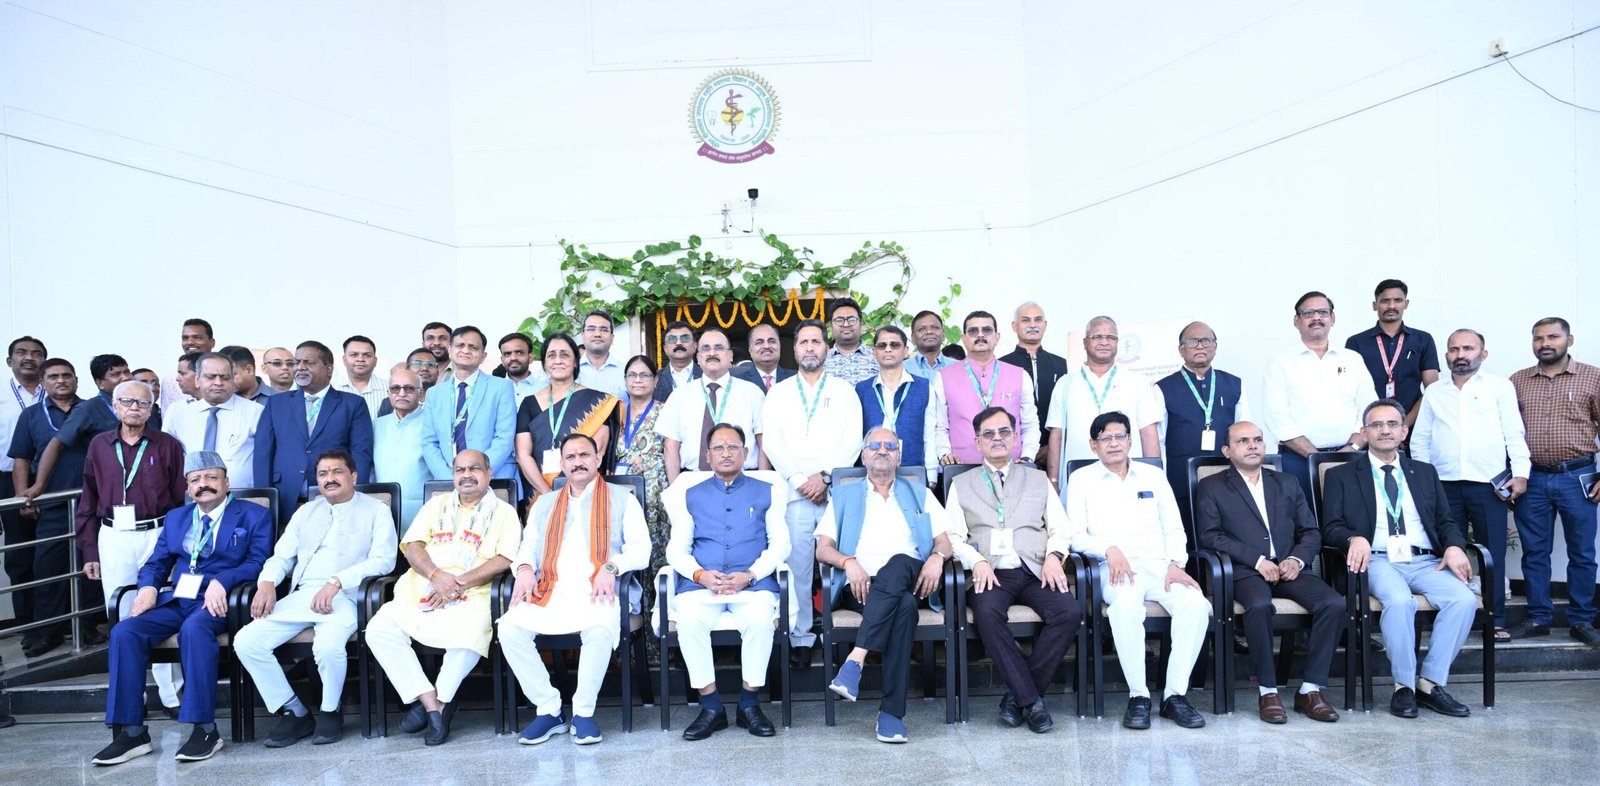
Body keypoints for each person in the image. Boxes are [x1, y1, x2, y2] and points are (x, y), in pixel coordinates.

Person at [90, 450, 274, 766]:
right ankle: (132, 732)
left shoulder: (254, 515)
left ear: (226, 482)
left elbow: (259, 561)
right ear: (188, 487)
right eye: (195, 480)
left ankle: (205, 729)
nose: (204, 484)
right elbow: (157, 563)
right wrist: (148, 587)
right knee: (124, 632)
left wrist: (223, 580)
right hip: (178, 599)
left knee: (194, 629)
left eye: (211, 477)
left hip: (221, 601)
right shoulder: (176, 517)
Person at [1322, 399, 1478, 718]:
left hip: (1425, 561)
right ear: (1364, 432)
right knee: (1399, 601)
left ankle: (1430, 684)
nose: (1385, 430)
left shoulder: (1424, 472)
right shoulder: (1342, 475)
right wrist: (1354, 538)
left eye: (1392, 424)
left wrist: (1454, 546)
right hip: (1377, 561)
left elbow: (1446, 521)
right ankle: (1403, 686)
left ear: (1404, 431)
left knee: (1463, 599)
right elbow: (1330, 527)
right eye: (1376, 425)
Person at [235, 450, 398, 747]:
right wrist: (267, 582)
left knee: (327, 646)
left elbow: (384, 560)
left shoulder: (376, 510)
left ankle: (330, 711)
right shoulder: (306, 512)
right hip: (302, 595)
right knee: (246, 641)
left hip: (347, 596)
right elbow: (282, 557)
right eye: (323, 474)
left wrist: (337, 581)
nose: (329, 479)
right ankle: (294, 711)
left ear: (353, 476)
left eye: (337, 472)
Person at [499, 433, 650, 746]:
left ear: (597, 459)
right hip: (550, 589)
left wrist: (611, 567)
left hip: (599, 590)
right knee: (509, 628)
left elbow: (641, 550)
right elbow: (528, 547)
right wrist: (524, 570)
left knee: (599, 628)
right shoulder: (545, 504)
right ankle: (549, 709)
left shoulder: (623, 499)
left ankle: (583, 713)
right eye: (570, 457)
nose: (578, 462)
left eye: (584, 455)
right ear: (562, 464)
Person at [365, 449, 520, 746]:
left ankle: (442, 701)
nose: (466, 475)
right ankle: (432, 703)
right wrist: (436, 576)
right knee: (378, 630)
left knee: (471, 635)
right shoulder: (436, 505)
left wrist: (458, 583)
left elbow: (505, 559)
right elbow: (412, 546)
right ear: (453, 476)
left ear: (489, 474)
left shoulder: (504, 513)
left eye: (474, 469)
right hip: (423, 587)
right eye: (460, 470)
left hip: (473, 591)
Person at [1067, 411, 1210, 730]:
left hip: (1160, 567)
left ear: (1130, 440)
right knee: (1125, 607)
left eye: (1120, 436)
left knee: (1196, 604)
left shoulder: (1153, 476)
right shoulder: (1081, 480)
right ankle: (1139, 696)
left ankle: (1175, 696)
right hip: (1115, 571)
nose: (1114, 443)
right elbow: (1075, 535)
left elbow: (1173, 526)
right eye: (1105, 438)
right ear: (1093, 445)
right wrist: (1108, 548)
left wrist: (1176, 563)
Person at [1195, 422, 1342, 724]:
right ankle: (1268, 691)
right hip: (1245, 571)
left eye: (1258, 440)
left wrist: (1297, 560)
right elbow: (1210, 536)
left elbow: (1310, 531)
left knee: (1333, 604)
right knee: (1260, 605)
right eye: (1243, 441)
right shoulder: (1212, 486)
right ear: (1227, 451)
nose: (1252, 446)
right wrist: (1257, 560)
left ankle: (1310, 690)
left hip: (1289, 569)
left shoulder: (1286, 482)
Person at [948, 407, 1081, 733]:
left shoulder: (1038, 478)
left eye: (1004, 431)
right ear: (977, 442)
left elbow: (1061, 528)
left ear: (1015, 437)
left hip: (1036, 568)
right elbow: (952, 537)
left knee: (1068, 611)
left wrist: (1055, 556)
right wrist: (976, 561)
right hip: (990, 572)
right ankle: (1032, 701)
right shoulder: (960, 484)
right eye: (989, 434)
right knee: (987, 613)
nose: (997, 438)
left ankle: (1018, 697)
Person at [817, 426, 953, 743]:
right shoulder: (843, 495)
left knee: (900, 561)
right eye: (875, 445)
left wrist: (937, 558)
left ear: (899, 457)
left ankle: (856, 659)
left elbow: (944, 543)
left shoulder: (920, 492)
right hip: (861, 586)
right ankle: (891, 714)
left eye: (890, 446)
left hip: (912, 578)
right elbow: (823, 550)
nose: (882, 450)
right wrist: (848, 562)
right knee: (903, 607)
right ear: (864, 456)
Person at [664, 424, 790, 741]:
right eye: (718, 448)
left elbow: (780, 544)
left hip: (752, 585)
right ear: (707, 456)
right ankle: (711, 707)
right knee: (689, 620)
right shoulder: (690, 493)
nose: (726, 453)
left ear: (745, 453)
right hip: (702, 586)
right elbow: (676, 550)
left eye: (733, 447)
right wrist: (700, 575)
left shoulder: (767, 490)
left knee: (760, 621)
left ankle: (749, 704)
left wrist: (751, 575)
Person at [1411, 329, 1530, 639]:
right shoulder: (1435, 391)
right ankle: (1449, 616)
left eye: (1468, 348)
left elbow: (1513, 433)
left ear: (1483, 354)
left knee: (1492, 553)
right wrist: (1424, 481)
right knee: (1444, 552)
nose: (1460, 354)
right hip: (1443, 486)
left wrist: (1520, 473)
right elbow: (1421, 439)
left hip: (1487, 485)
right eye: (1454, 349)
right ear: (1446, 355)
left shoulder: (1499, 387)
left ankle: (1495, 619)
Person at [761, 319, 864, 668]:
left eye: (815, 342)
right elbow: (772, 441)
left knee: (839, 564)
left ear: (826, 348)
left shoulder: (844, 391)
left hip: (835, 492)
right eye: (803, 342)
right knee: (798, 568)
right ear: (795, 349)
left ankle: (839, 636)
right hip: (795, 494)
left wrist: (825, 477)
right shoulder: (779, 393)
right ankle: (801, 637)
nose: (809, 347)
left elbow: (853, 439)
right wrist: (798, 480)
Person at [1507, 317, 1600, 645]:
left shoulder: (1593, 377)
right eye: (1538, 338)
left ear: (1569, 340)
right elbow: (1506, 431)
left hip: (1578, 477)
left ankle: (1582, 620)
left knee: (1582, 552)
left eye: (1553, 337)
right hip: (1532, 478)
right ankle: (1538, 618)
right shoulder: (1517, 381)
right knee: (1534, 552)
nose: (1545, 343)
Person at [1262, 291, 1375, 500]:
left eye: (1323, 312)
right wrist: (1316, 457)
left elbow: (1369, 409)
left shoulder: (1352, 359)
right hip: (1298, 460)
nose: (1316, 317)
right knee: (1304, 517)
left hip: (1351, 457)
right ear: (1296, 321)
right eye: (1308, 313)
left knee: (1352, 515)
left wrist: (1351, 448)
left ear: (1333, 318)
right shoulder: (1281, 361)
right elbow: (1277, 417)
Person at [254, 341, 375, 524]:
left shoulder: (352, 404)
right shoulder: (276, 403)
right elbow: (263, 453)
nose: (300, 367)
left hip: (335, 500)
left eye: (308, 363)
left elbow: (361, 454)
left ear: (329, 369)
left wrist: (356, 497)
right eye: (297, 362)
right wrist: (264, 499)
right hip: (285, 499)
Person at [6, 356, 76, 656]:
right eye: (54, 377)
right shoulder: (32, 415)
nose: (61, 380)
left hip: (90, 504)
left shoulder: (92, 410)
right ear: (43, 383)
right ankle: (48, 631)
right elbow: (21, 458)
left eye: (67, 375)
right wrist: (23, 495)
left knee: (90, 568)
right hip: (52, 503)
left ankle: (86, 626)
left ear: (76, 380)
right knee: (47, 569)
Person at [1154, 321, 1250, 533]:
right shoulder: (1163, 388)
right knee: (1187, 532)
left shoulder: (1234, 384)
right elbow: (1158, 441)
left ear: (1215, 347)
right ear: (1181, 349)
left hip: (1226, 475)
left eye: (1206, 340)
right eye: (1192, 341)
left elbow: (1245, 433)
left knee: (1229, 531)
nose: (1199, 346)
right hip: (1180, 477)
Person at [1045, 316, 1162, 483]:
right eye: (1097, 337)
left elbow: (1149, 435)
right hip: (1078, 479)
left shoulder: (1137, 382)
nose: (1104, 342)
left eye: (1111, 337)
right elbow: (1057, 437)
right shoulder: (1065, 383)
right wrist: (1054, 481)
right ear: (1085, 342)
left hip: (1130, 480)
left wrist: (1154, 480)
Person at [18, 354, 135, 501]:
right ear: (100, 383)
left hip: (129, 488)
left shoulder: (140, 406)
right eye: (116, 374)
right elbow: (55, 444)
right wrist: (38, 486)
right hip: (73, 493)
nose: (125, 378)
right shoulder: (88, 408)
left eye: (127, 372)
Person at [657, 327, 766, 483]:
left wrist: (761, 485)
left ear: (730, 356)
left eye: (719, 348)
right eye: (706, 348)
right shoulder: (680, 395)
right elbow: (671, 446)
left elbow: (764, 443)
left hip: (744, 481)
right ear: (698, 357)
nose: (712, 353)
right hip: (692, 482)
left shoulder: (752, 392)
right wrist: (675, 489)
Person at [515, 333, 617, 497]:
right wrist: (548, 495)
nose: (558, 360)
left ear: (575, 361)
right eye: (551, 355)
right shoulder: (529, 403)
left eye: (564, 355)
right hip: (539, 494)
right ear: (545, 363)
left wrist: (574, 492)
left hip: (585, 492)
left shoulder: (597, 402)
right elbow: (523, 454)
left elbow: (597, 450)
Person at [937, 311, 1040, 465]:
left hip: (1012, 466)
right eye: (973, 331)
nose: (980, 335)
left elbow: (1030, 423)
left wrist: (1028, 456)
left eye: (986, 330)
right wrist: (945, 454)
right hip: (961, 466)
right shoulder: (943, 377)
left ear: (997, 337)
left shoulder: (1020, 375)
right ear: (964, 339)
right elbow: (940, 426)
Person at [421, 326, 517, 483]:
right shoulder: (434, 393)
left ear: (483, 356)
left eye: (473, 347)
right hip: (448, 479)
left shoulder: (501, 387)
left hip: (493, 478)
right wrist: (451, 478)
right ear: (450, 350)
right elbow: (429, 442)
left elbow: (504, 437)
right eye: (460, 345)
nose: (466, 350)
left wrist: (478, 473)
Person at [612, 355, 670, 616]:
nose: (638, 380)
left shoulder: (666, 411)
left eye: (644, 375)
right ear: (625, 380)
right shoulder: (616, 413)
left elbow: (672, 452)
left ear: (655, 380)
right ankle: (631, 630)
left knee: (655, 557)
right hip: (622, 495)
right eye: (632, 375)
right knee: (626, 554)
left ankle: (657, 630)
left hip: (654, 494)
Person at [1345, 279, 1440, 433]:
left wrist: (1403, 426)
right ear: (1374, 305)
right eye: (1385, 301)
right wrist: (1375, 427)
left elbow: (1432, 389)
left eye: (1398, 300)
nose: (1391, 306)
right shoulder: (1356, 342)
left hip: (1414, 428)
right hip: (1371, 430)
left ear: (1406, 304)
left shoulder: (1423, 339)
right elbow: (1350, 391)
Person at [856, 325, 943, 483]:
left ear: (905, 351)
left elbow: (930, 433)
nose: (888, 349)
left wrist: (930, 475)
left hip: (912, 471)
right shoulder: (862, 389)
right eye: (882, 345)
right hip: (871, 473)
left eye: (894, 345)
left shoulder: (924, 387)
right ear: (874, 352)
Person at [2, 336, 47, 636]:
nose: (29, 358)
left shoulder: (56, 392)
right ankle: (28, 625)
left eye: (36, 353)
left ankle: (54, 621)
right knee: (20, 556)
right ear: (10, 361)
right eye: (21, 353)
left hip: (51, 481)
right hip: (6, 481)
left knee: (53, 553)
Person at [164, 352, 263, 487]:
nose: (218, 383)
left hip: (242, 496)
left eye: (225, 377)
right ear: (197, 380)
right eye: (211, 377)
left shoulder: (256, 412)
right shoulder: (179, 416)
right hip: (193, 496)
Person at [1001, 302, 1067, 464]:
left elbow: (1063, 410)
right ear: (1014, 326)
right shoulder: (1002, 365)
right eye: (1026, 320)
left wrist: (1051, 446)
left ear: (1045, 325)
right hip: (1013, 451)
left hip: (1053, 450)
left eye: (1038, 320)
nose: (1032, 325)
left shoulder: (1060, 364)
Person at [374, 367, 431, 524]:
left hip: (422, 510)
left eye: (409, 388)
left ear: (420, 393)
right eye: (395, 388)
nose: (401, 393)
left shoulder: (432, 422)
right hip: (381, 509)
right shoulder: (376, 425)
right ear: (388, 393)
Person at [161, 318, 215, 413]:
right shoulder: (171, 380)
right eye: (185, 338)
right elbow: (167, 416)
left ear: (212, 343)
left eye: (197, 337)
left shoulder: (226, 373)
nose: (190, 342)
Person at [375, 348, 443, 419]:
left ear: (437, 372)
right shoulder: (388, 403)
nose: (424, 368)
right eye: (417, 364)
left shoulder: (447, 399)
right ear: (407, 370)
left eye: (431, 364)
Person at [575, 310, 628, 400]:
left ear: (612, 338)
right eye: (591, 329)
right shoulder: (570, 372)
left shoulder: (626, 372)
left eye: (604, 330)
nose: (597, 334)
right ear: (583, 336)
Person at [823, 298, 878, 384]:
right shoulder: (821, 360)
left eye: (851, 320)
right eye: (839, 320)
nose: (846, 324)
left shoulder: (877, 356)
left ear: (861, 325)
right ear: (831, 328)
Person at [731, 323, 795, 392]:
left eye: (772, 341)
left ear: (779, 347)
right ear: (750, 351)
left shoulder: (796, 379)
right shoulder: (736, 381)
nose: (766, 346)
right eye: (759, 342)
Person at [335, 335, 386, 419]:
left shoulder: (389, 390)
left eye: (367, 355)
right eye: (354, 355)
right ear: (344, 360)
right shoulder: (331, 387)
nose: (360, 359)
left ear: (375, 361)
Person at [498, 332, 549, 410]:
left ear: (530, 358)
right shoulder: (492, 390)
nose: (513, 358)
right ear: (502, 360)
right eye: (507, 354)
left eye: (519, 353)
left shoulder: (545, 389)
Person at [652, 321, 700, 401]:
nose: (678, 343)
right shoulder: (653, 379)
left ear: (695, 346)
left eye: (685, 338)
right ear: (665, 348)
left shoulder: (707, 375)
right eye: (672, 339)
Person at [907, 310, 957, 380]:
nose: (929, 332)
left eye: (935, 327)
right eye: (922, 329)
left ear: (943, 335)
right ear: (913, 338)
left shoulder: (958, 368)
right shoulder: (902, 369)